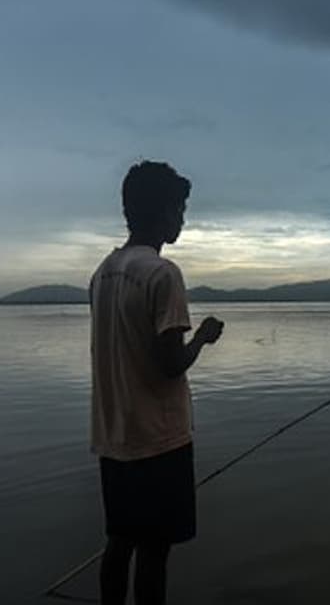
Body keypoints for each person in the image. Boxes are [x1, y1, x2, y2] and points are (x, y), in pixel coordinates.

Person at [89, 160, 224, 605]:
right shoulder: (163, 274)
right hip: (159, 441)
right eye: (180, 209)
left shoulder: (103, 274)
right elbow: (170, 364)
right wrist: (202, 338)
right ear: (163, 210)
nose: (182, 219)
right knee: (154, 551)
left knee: (120, 541)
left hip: (114, 439)